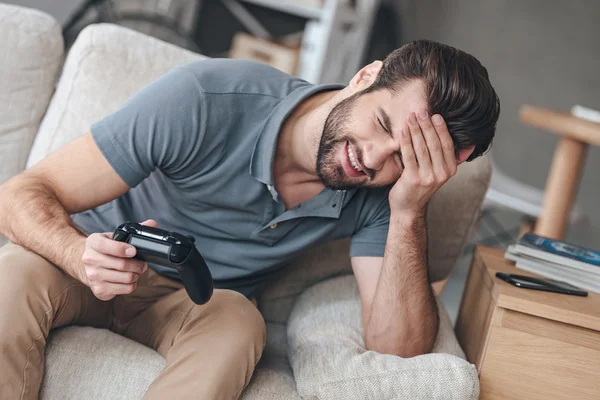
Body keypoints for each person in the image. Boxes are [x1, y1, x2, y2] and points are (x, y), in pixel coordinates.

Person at [0, 39, 500, 399]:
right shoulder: (204, 98)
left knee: (240, 320)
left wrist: (410, 209)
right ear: (365, 77)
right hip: (89, 262)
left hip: (190, 300)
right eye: (383, 124)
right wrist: (76, 253)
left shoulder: (384, 193)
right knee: (13, 273)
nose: (371, 158)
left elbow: (398, 350)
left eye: (404, 158)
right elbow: (18, 194)